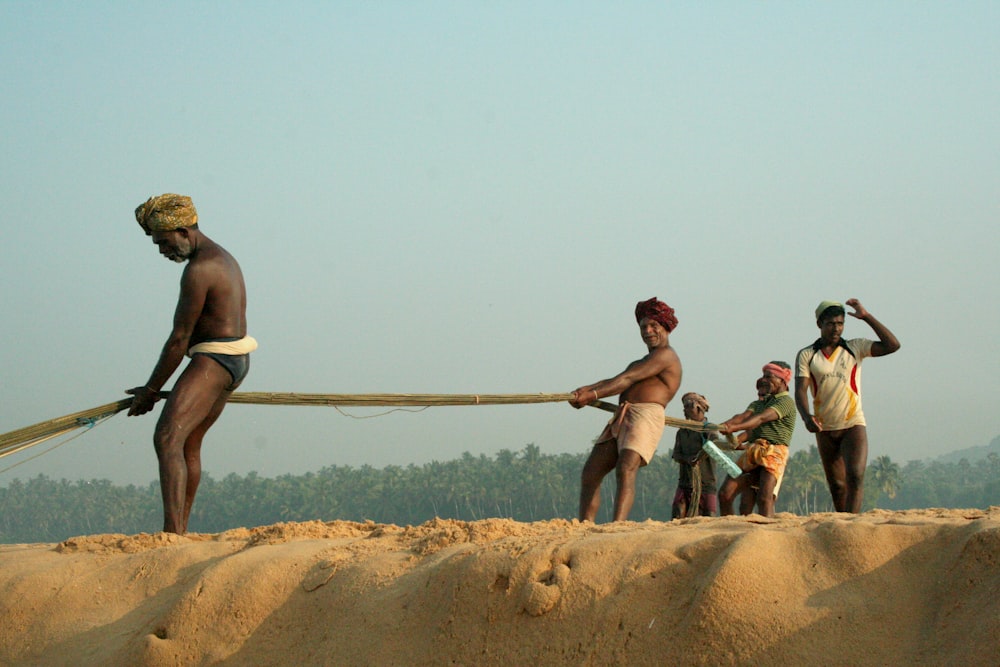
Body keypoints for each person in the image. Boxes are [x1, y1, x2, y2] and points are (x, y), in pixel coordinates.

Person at [126, 194, 257, 534]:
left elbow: (179, 339)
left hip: (215, 360)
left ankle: (172, 535)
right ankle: (179, 532)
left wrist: (150, 391)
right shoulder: (223, 257)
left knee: (168, 438)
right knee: (188, 444)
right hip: (235, 361)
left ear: (184, 231)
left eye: (164, 242)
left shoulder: (200, 269)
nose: (162, 251)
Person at [570, 297, 682, 522]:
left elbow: (627, 379)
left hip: (646, 415)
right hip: (623, 415)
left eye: (653, 326)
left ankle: (617, 525)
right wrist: (587, 389)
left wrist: (592, 395)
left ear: (666, 328)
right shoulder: (642, 360)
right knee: (591, 472)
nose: (648, 331)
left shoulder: (666, 355)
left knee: (626, 468)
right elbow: (618, 378)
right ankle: (583, 525)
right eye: (643, 327)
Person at [794, 299, 900, 513]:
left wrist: (867, 316)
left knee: (855, 475)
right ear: (819, 324)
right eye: (831, 323)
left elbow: (892, 345)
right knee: (837, 485)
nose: (836, 328)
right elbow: (800, 390)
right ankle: (842, 523)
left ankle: (853, 523)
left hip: (853, 423)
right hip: (824, 426)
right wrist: (807, 417)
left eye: (840, 323)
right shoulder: (807, 354)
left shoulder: (855, 347)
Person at [717, 362, 797, 518]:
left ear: (781, 380)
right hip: (753, 450)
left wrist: (734, 428)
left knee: (764, 498)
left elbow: (760, 419)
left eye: (769, 377)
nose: (764, 380)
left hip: (773, 452)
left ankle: (767, 536)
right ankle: (729, 529)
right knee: (725, 494)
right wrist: (726, 424)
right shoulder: (760, 403)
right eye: (763, 376)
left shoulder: (785, 402)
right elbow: (743, 416)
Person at [671, 392, 719, 518]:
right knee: (678, 513)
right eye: (684, 407)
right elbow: (676, 455)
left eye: (688, 406)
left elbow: (715, 447)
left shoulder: (709, 429)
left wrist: (700, 456)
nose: (684, 410)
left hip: (706, 483)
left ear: (699, 408)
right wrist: (687, 459)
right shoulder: (682, 431)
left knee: (708, 516)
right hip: (685, 482)